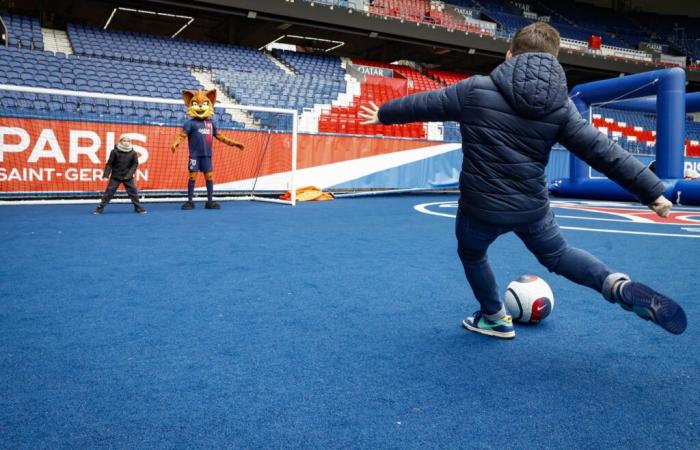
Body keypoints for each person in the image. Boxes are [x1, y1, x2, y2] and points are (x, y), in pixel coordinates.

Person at [359, 22, 687, 338]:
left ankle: (494, 317)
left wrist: (384, 113)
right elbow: (603, 151)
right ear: (553, 59)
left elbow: (426, 104)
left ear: (509, 54)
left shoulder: (474, 90)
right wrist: (652, 192)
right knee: (558, 255)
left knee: (472, 254)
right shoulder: (561, 106)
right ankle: (616, 284)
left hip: (480, 208)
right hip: (532, 207)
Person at [171, 89, 245, 210]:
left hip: (207, 156)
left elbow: (221, 137)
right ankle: (190, 201)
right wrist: (175, 143)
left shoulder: (211, 124)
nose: (200, 107)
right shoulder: (189, 123)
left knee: (209, 177)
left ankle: (210, 201)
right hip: (194, 156)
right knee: (192, 177)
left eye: (204, 104)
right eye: (196, 104)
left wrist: (235, 144)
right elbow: (181, 136)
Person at [94, 135, 146, 215]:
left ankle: (138, 207)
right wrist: (106, 175)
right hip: (116, 176)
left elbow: (135, 164)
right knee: (109, 192)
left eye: (128, 141)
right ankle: (100, 207)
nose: (126, 142)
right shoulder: (114, 151)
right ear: (120, 142)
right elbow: (109, 164)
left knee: (133, 192)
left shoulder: (133, 153)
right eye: (124, 141)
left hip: (128, 177)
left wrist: (129, 175)